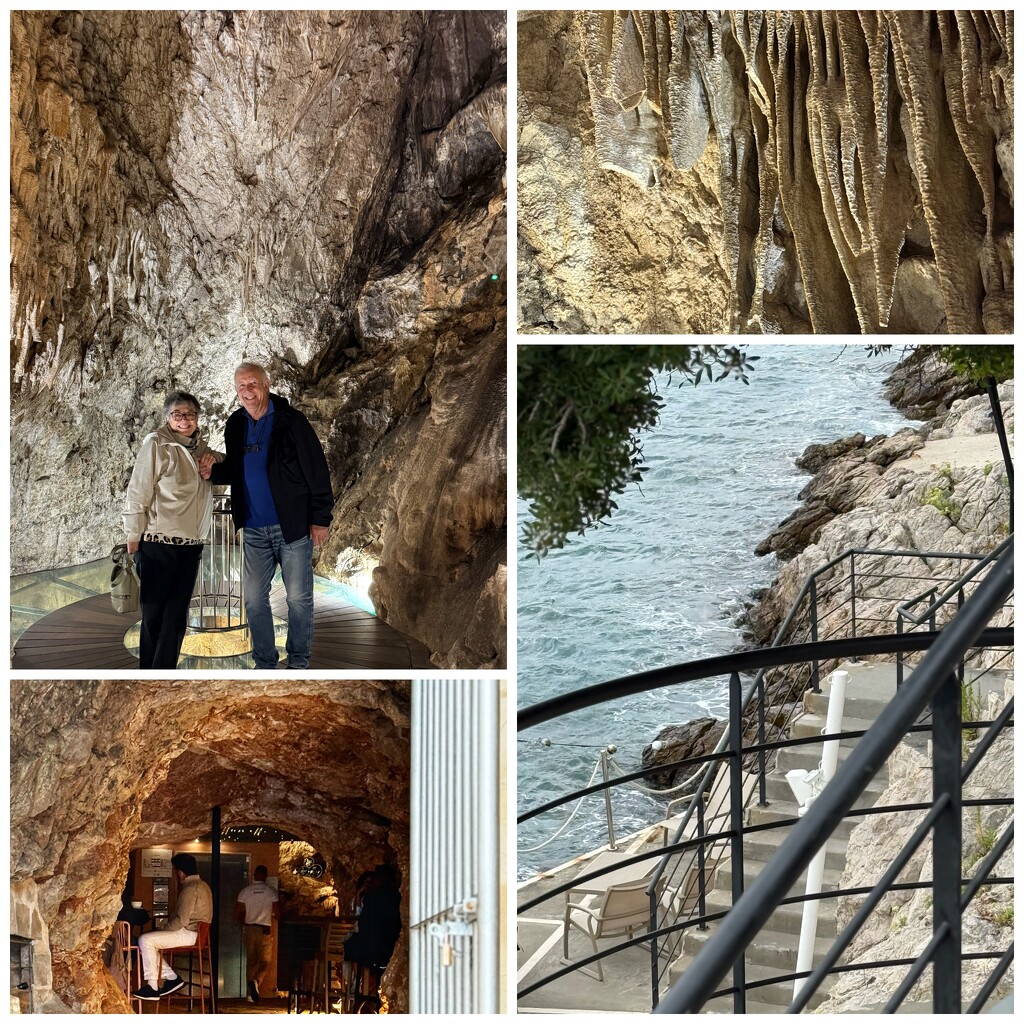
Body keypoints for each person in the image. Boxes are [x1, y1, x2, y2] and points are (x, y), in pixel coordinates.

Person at [200, 362, 333, 669]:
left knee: (298, 600)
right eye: (241, 386)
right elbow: (236, 468)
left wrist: (321, 517)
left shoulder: (291, 421)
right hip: (255, 528)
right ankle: (265, 662)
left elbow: (315, 468)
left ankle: (299, 661)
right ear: (236, 391)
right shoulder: (235, 424)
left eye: (252, 384)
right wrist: (213, 472)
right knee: (254, 601)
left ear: (267, 384)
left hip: (293, 527)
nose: (247, 391)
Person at [124, 391, 223, 669]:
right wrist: (133, 535)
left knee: (177, 615)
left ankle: (163, 671)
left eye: (190, 414)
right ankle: (147, 673)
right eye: (177, 414)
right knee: (154, 614)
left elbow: (227, 462)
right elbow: (138, 491)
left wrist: (215, 461)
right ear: (167, 418)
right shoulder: (157, 445)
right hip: (157, 542)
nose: (184, 419)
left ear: (197, 418)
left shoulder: (202, 451)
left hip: (191, 546)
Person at [133, 853, 213, 1001]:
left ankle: (153, 987)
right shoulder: (203, 885)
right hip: (196, 934)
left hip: (188, 933)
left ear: (180, 872)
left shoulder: (190, 888)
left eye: (175, 870)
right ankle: (170, 977)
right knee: (149, 941)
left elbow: (181, 920)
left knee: (145, 940)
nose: (175, 873)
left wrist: (163, 930)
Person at [344, 863, 402, 974]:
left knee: (348, 946)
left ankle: (355, 982)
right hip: (389, 946)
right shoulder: (397, 896)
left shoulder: (372, 897)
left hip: (372, 948)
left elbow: (364, 923)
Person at [234, 864, 279, 1003]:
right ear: (265, 876)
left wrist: (244, 923)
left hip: (249, 929)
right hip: (265, 929)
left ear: (254, 875)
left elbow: (238, 912)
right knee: (265, 961)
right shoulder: (271, 892)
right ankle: (257, 981)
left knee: (251, 962)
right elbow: (278, 912)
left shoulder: (245, 892)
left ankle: (249, 995)